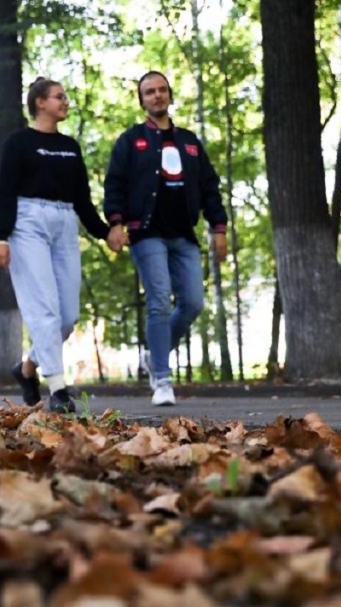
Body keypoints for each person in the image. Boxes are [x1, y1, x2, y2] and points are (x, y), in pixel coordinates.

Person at [0, 77, 127, 413]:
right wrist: (0, 236)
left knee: (68, 315)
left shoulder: (71, 147)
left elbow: (82, 199)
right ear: (40, 103)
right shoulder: (18, 143)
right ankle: (58, 390)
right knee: (45, 310)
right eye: (58, 97)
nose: (65, 102)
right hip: (28, 222)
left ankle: (27, 368)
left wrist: (105, 231)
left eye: (64, 97)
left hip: (65, 221)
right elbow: (4, 192)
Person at [104, 70, 229, 405]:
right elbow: (114, 184)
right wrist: (115, 223)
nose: (156, 96)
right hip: (146, 234)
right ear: (141, 100)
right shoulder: (131, 141)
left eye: (161, 90)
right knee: (159, 300)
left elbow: (209, 188)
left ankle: (154, 355)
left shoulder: (189, 142)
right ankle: (162, 379)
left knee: (193, 303)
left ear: (170, 95)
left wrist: (219, 229)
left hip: (184, 235)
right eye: (149, 92)